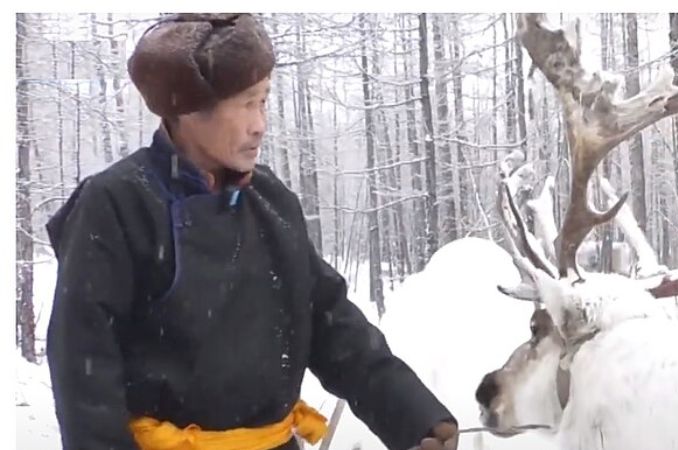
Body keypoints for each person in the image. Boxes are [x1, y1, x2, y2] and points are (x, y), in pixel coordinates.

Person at [45, 13, 458, 450]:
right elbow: (83, 370)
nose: (260, 123)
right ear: (188, 109)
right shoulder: (116, 205)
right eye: (246, 103)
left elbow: (334, 328)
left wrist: (416, 418)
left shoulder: (271, 202)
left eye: (263, 102)